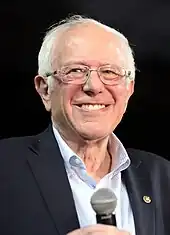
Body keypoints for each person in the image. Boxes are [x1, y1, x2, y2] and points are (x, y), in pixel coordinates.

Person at [0, 15, 170, 235]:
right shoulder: (5, 166)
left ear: (129, 89)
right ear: (44, 90)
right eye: (75, 71)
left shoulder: (162, 177)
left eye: (109, 72)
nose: (93, 86)